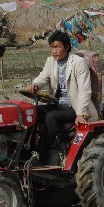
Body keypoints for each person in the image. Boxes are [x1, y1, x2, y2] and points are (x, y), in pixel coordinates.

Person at [25, 30, 98, 163]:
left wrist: (81, 113)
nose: (54, 51)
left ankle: (41, 156)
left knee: (50, 117)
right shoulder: (50, 61)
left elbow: (85, 90)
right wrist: (35, 85)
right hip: (57, 104)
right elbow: (43, 77)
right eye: (52, 47)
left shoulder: (78, 62)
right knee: (29, 112)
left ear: (67, 47)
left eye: (57, 47)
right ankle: (26, 150)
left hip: (74, 106)